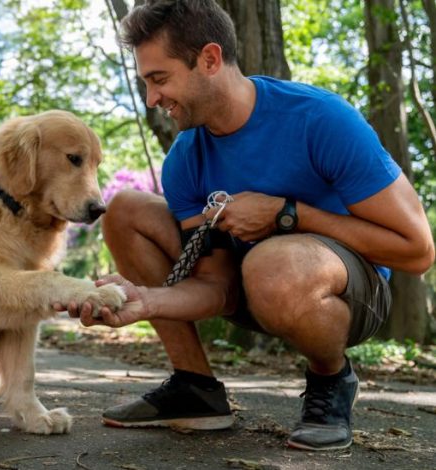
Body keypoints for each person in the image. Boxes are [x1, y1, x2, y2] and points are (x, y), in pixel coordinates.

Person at [55, 0, 435, 452]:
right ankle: (195, 388)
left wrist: (290, 214)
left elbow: (417, 251)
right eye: (146, 82)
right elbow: (220, 290)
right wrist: (146, 301)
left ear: (210, 60)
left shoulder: (320, 120)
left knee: (274, 263)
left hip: (349, 294)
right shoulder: (185, 159)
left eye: (159, 79)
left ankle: (330, 380)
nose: (151, 98)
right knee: (126, 210)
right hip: (253, 286)